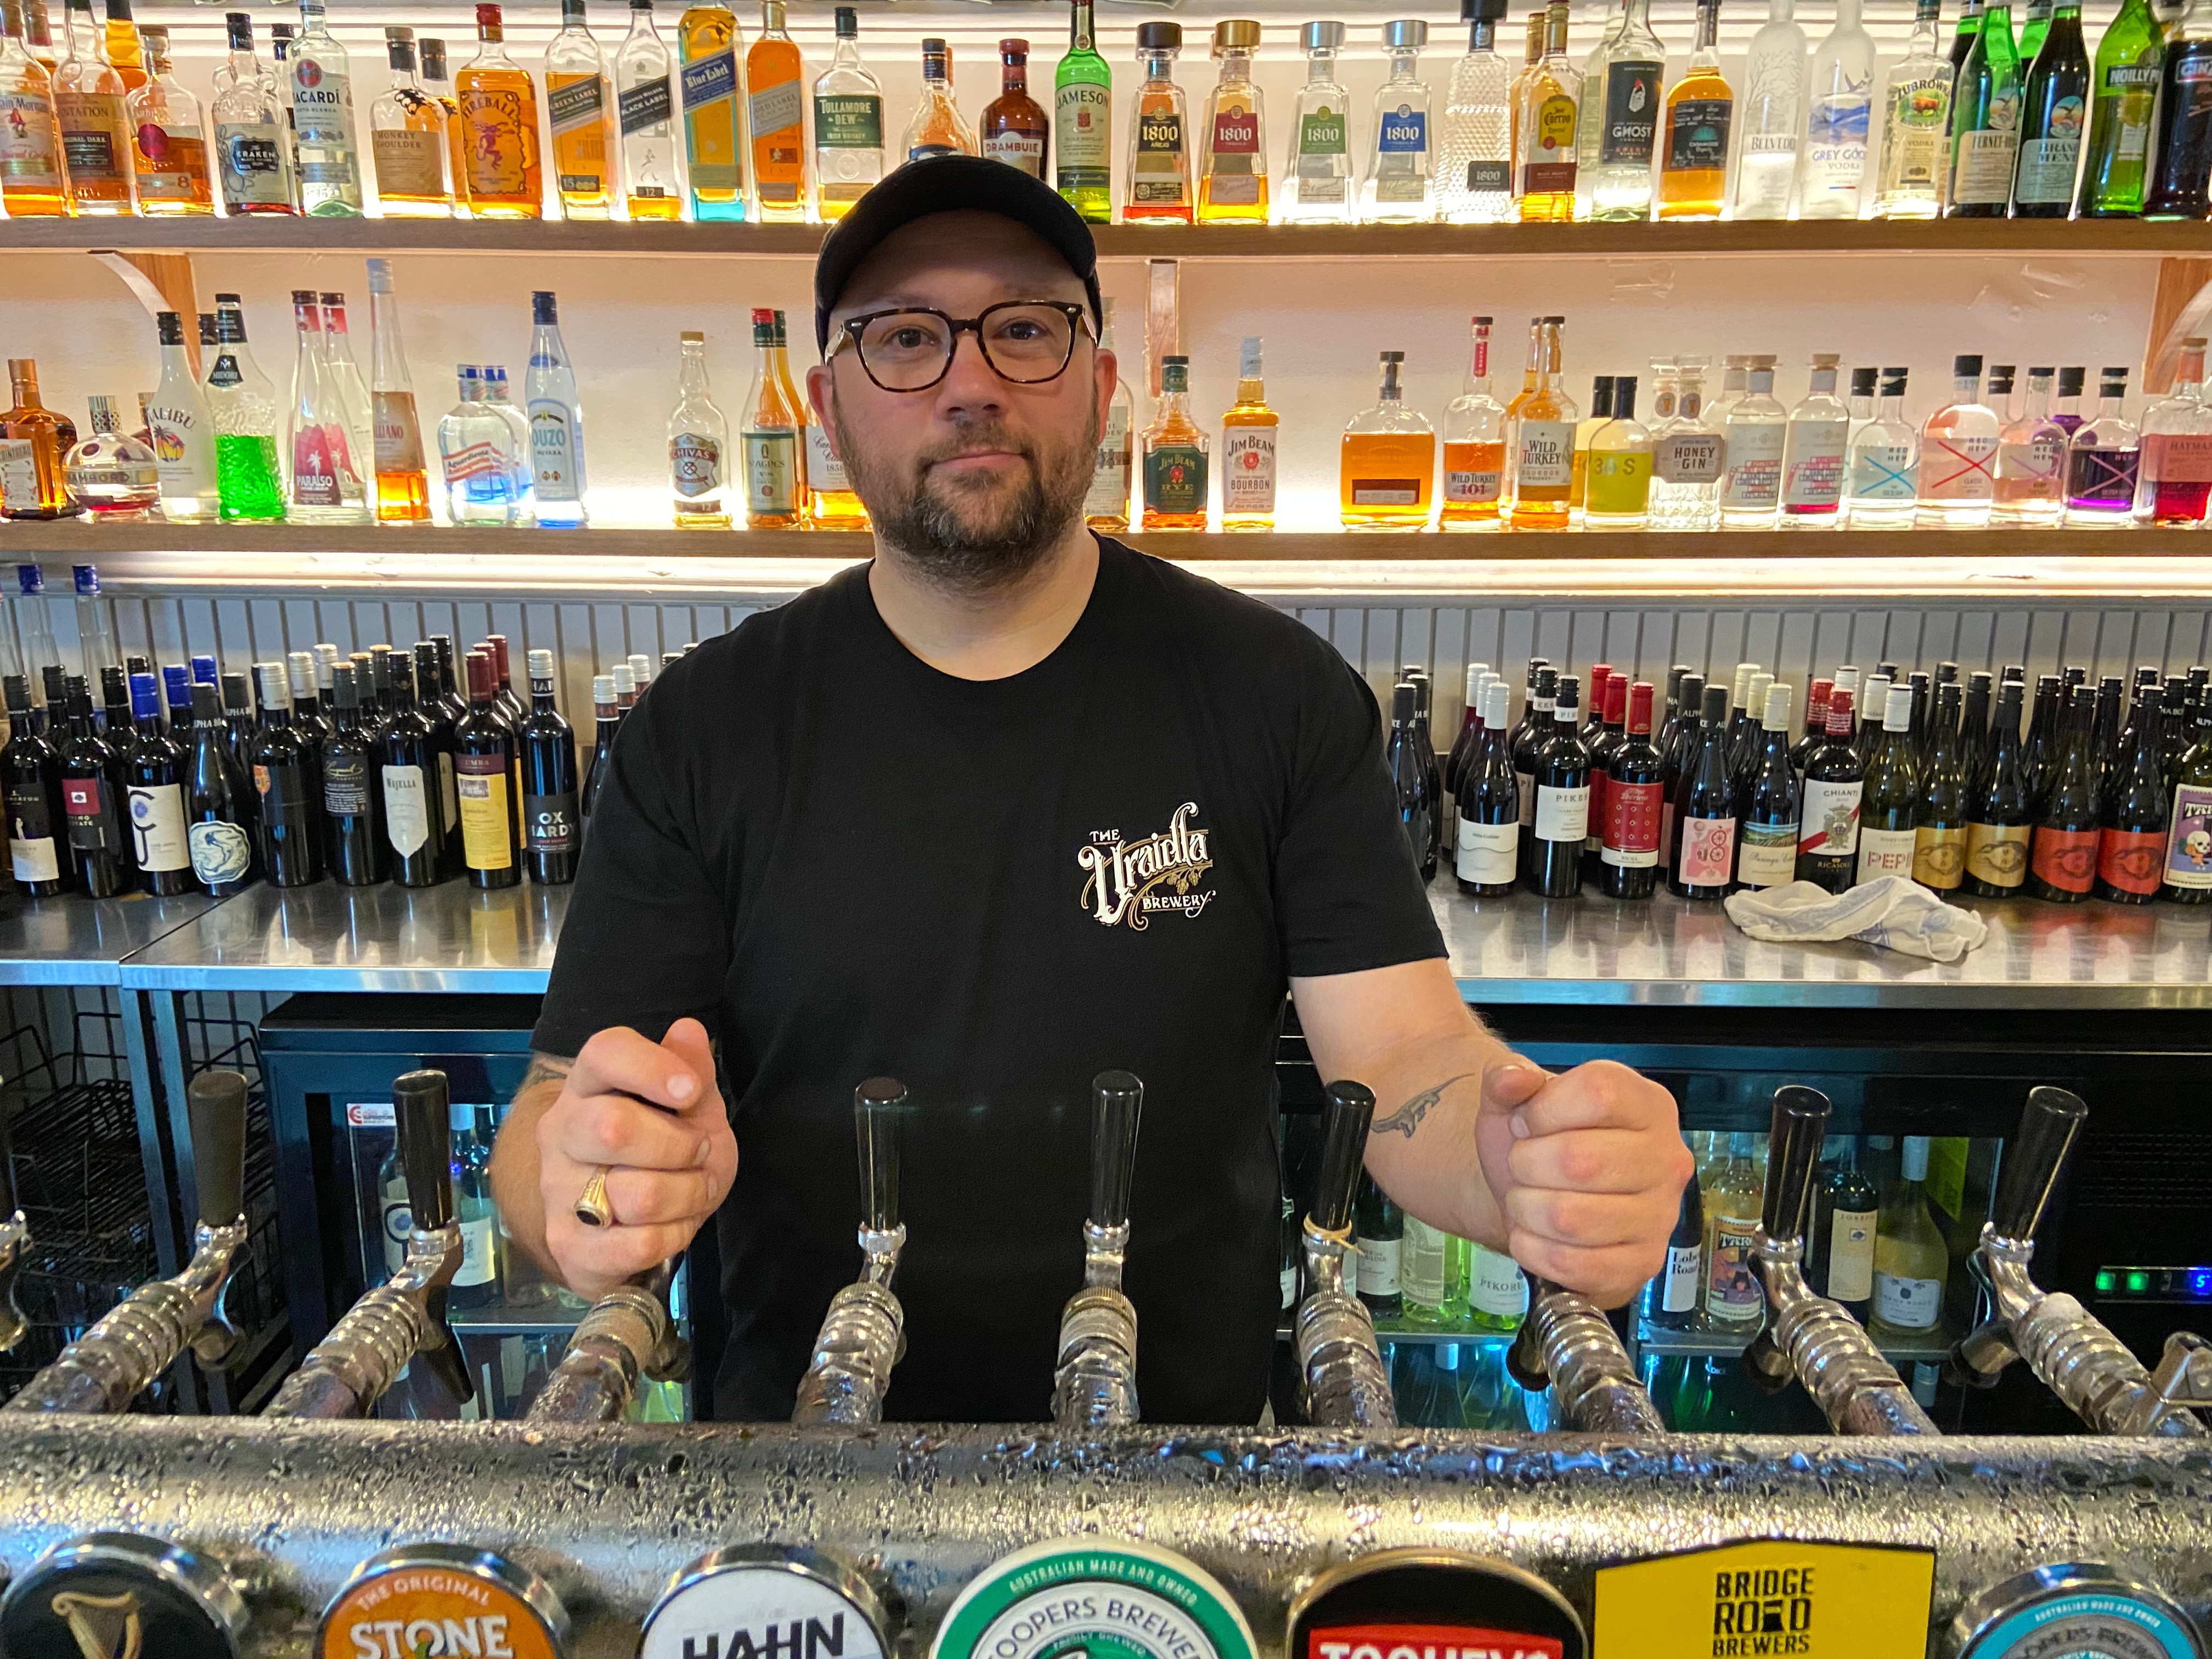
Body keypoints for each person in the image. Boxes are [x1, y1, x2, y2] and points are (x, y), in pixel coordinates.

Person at [489, 156, 1692, 1423]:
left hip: (1180, 1487)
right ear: (830, 407)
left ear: (1104, 388)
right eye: (905, 338)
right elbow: (553, 1112)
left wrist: (1520, 1171)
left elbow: (1402, 1059)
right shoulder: (702, 729)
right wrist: (582, 1191)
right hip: (804, 1477)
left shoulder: (1275, 695)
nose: (970, 382)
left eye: (1024, 329)